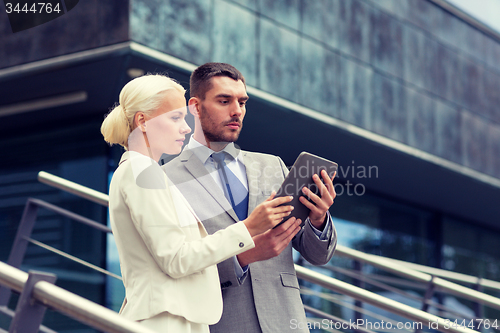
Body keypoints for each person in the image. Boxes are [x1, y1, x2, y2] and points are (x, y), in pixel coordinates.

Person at [100, 74, 296, 332]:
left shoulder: (147, 171)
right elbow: (177, 259)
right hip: (165, 320)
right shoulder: (139, 170)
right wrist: (248, 228)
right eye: (175, 118)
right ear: (143, 121)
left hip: (178, 317)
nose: (186, 128)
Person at [163, 63, 337, 332]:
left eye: (242, 102)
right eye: (224, 101)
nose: (237, 111)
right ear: (195, 107)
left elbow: (318, 256)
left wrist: (318, 218)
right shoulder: (167, 179)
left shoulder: (273, 166)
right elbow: (174, 267)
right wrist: (243, 257)